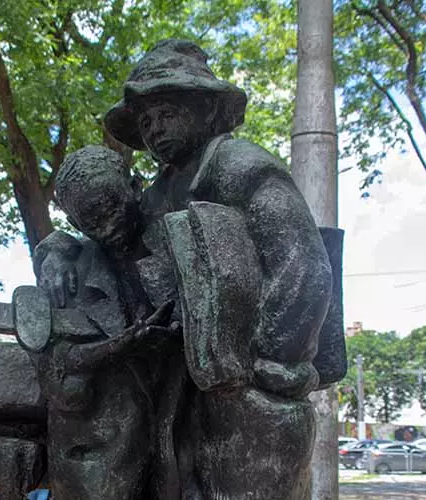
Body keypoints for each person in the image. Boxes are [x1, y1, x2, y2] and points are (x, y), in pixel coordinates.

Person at [104, 39, 334, 499]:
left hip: (250, 399)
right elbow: (112, 258)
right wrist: (55, 255)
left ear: (208, 110)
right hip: (178, 393)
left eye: (166, 113)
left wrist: (267, 368)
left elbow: (303, 269)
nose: (154, 130)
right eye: (146, 121)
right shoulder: (155, 195)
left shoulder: (241, 167)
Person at [22, 145, 180, 500]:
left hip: (176, 442)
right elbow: (58, 375)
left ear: (136, 188)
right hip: (97, 462)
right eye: (91, 220)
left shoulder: (175, 246)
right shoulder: (68, 274)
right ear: (77, 224)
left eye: (112, 207)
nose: (107, 226)